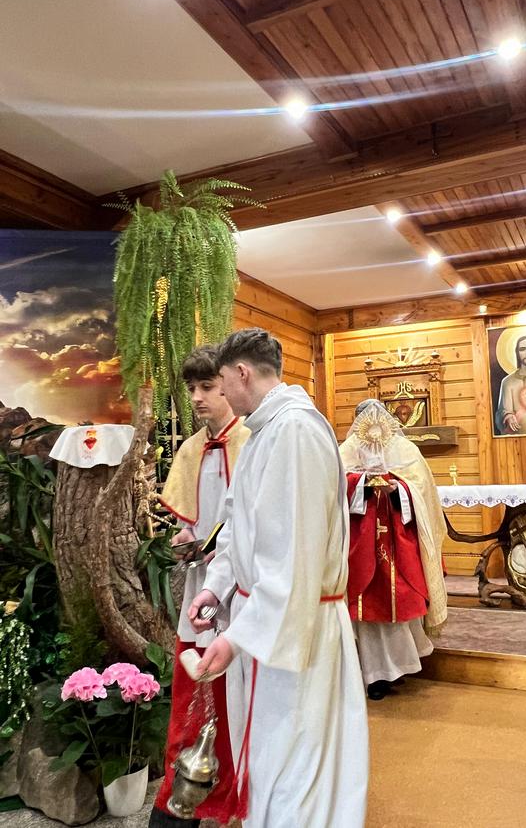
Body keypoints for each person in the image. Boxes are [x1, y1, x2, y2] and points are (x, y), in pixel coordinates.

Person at [188, 328, 368, 828]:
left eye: (222, 382)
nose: (222, 394)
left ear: (242, 373)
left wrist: (237, 638)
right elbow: (238, 524)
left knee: (296, 753)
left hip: (295, 623)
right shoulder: (267, 430)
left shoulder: (295, 433)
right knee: (272, 749)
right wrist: (215, 586)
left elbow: (293, 555)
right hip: (265, 613)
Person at [149, 345, 249, 828]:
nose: (197, 397)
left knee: (237, 694)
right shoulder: (190, 448)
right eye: (191, 388)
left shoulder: (252, 441)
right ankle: (188, 793)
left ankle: (235, 794)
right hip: (201, 586)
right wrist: (185, 538)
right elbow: (191, 517)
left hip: (243, 588)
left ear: (229, 385)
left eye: (207, 387)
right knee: (195, 687)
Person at [339, 399, 447, 700]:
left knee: (400, 600)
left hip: (397, 540)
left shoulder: (405, 449)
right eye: (364, 418)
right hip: (360, 541)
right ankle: (373, 674)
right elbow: (334, 486)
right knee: (365, 610)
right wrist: (361, 483)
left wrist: (398, 488)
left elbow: (422, 489)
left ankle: (398, 667)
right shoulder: (348, 449)